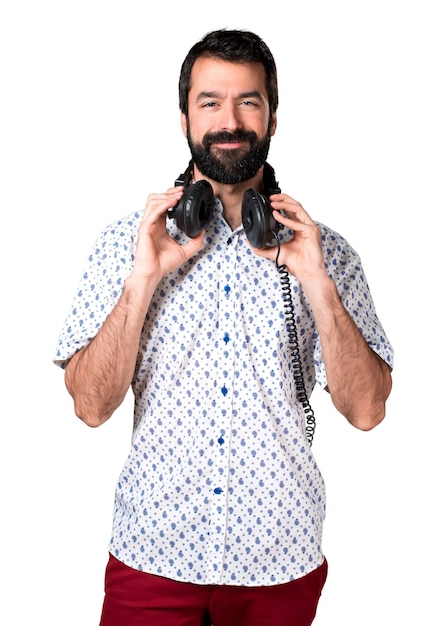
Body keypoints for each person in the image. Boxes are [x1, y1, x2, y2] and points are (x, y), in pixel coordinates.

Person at [54, 29, 393, 626]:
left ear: (273, 117)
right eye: (210, 102)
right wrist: (142, 280)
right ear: (183, 116)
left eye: (249, 101)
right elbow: (88, 406)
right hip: (152, 553)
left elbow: (367, 412)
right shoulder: (124, 244)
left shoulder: (328, 254)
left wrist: (316, 281)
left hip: (279, 560)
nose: (229, 120)